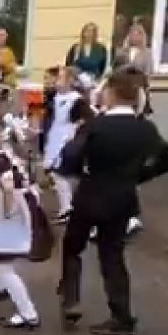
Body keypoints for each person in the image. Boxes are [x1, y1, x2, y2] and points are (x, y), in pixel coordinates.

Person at [55, 68, 168, 335]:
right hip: (123, 199)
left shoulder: (95, 126)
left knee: (73, 247)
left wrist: (76, 167)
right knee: (112, 255)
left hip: (90, 195)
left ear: (111, 93)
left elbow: (70, 160)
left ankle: (71, 299)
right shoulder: (145, 128)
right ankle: (122, 318)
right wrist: (138, 176)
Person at [0, 116, 54, 329]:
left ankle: (28, 313)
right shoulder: (21, 156)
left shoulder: (2, 160)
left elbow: (7, 188)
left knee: (3, 265)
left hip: (9, 209)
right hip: (20, 205)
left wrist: (6, 212)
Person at [39, 66, 95, 222]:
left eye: (60, 78)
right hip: (54, 136)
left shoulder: (77, 100)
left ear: (70, 81)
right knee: (54, 172)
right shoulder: (54, 97)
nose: (56, 82)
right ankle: (68, 205)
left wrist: (76, 129)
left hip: (66, 138)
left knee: (59, 172)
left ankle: (68, 207)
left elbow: (87, 117)